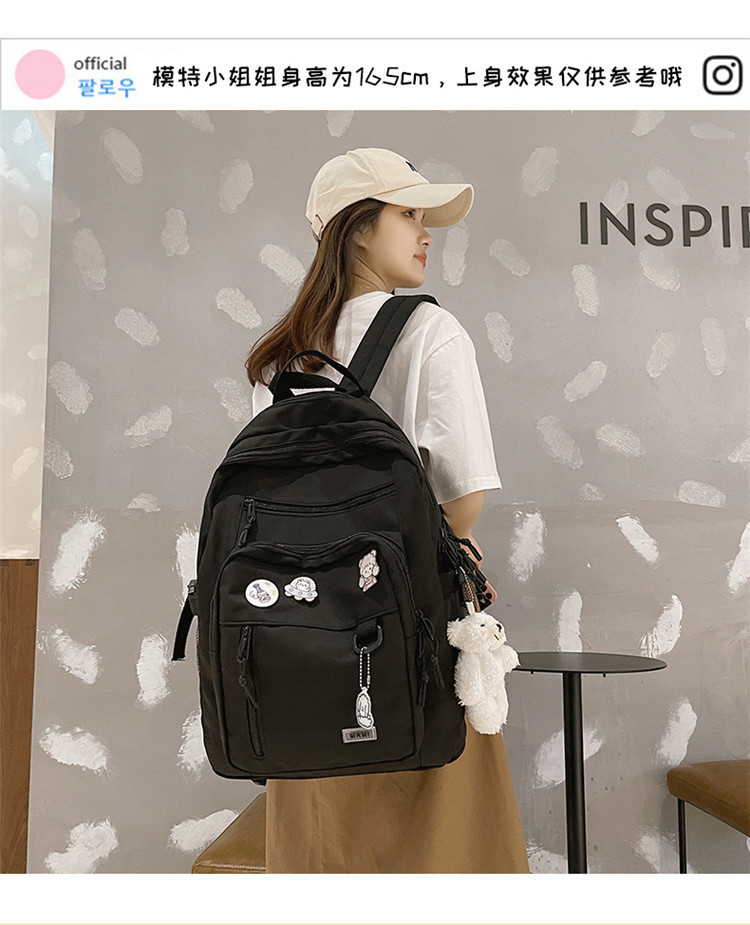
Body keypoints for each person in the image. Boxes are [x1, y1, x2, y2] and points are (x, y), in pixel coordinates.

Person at [244, 148, 529, 873]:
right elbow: (463, 495)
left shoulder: (285, 357)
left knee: (319, 833)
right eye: (408, 214)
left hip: (298, 634)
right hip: (411, 624)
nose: (427, 233)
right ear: (358, 228)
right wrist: (452, 548)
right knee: (442, 832)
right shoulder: (431, 333)